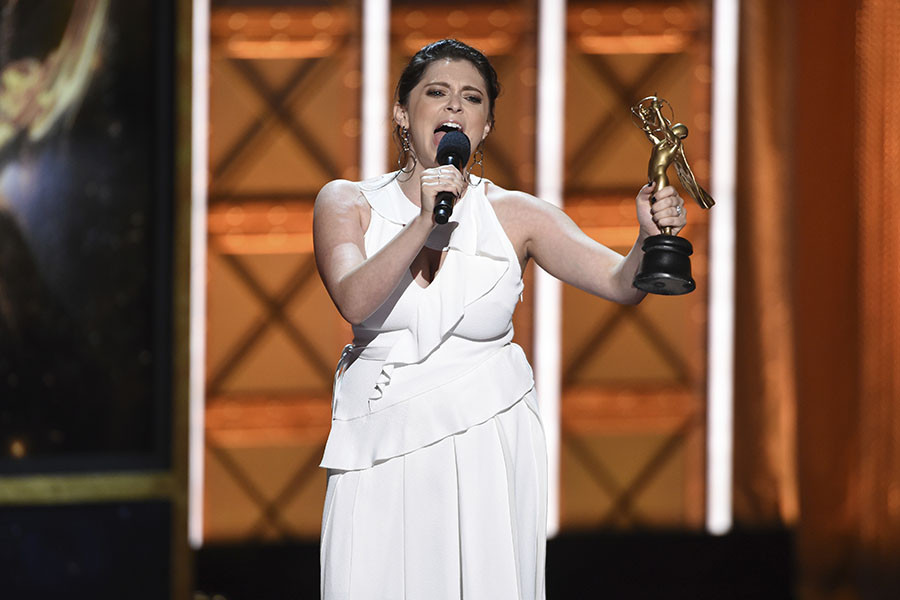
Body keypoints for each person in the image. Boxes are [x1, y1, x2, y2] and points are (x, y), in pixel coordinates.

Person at [313, 39, 687, 600]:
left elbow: (619, 284)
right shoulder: (348, 203)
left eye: (472, 99)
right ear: (401, 112)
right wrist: (424, 219)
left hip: (486, 441)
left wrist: (647, 239)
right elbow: (354, 297)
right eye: (436, 93)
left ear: (485, 125)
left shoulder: (518, 216)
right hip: (381, 441)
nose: (454, 109)